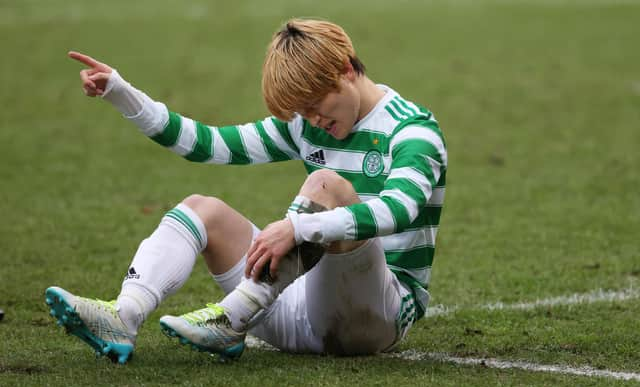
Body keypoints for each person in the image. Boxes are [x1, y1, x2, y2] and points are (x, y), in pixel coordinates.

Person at [45, 18, 447, 364]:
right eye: (302, 111)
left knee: (326, 184)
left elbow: (398, 210)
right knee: (204, 210)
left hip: (375, 317)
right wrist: (120, 91)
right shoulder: (306, 125)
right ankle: (124, 316)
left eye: (316, 103)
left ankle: (232, 317)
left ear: (344, 68)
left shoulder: (411, 130)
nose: (313, 118)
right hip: (300, 307)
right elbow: (208, 144)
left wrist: (297, 228)